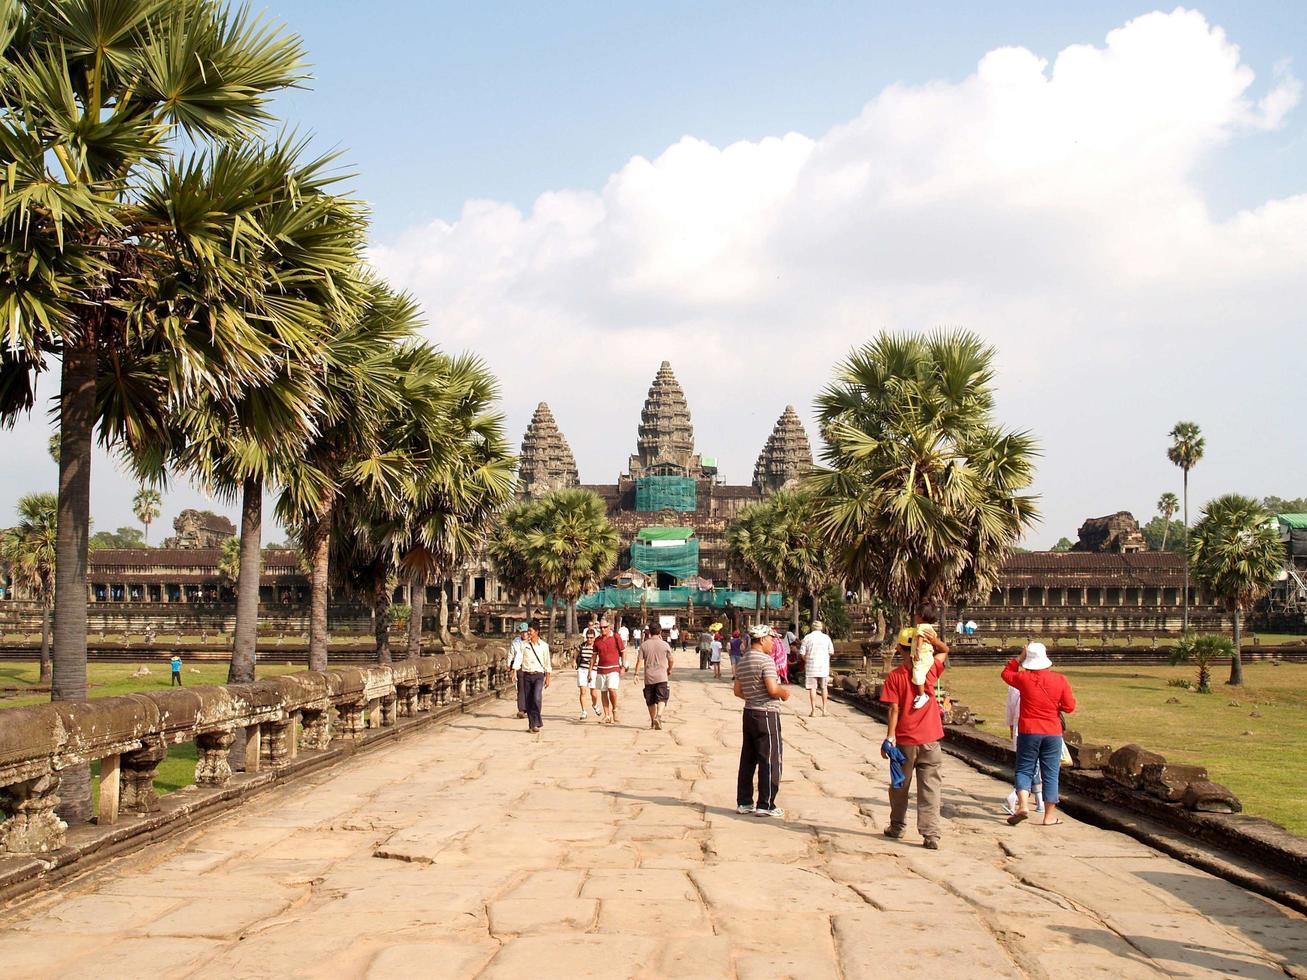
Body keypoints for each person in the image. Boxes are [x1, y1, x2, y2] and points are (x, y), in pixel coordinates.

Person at [880, 625, 950, 849]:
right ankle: (931, 834)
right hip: (930, 738)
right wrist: (933, 641)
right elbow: (944, 652)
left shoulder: (895, 677)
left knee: (900, 785)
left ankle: (897, 826)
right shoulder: (930, 671)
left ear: (900, 648)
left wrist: (889, 738)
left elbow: (894, 709)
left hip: (905, 739)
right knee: (930, 787)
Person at [1003, 642, 1076, 827]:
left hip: (1028, 730)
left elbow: (1005, 674)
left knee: (1024, 768)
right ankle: (1049, 816)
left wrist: (1018, 659)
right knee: (1051, 773)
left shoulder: (1023, 679)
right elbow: (1070, 706)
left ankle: (1024, 805)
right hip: (1052, 731)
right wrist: (1055, 705)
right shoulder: (1059, 680)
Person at [734, 623, 790, 817]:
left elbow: (737, 691)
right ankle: (766, 804)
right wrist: (784, 694)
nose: (774, 644)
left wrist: (753, 696)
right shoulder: (766, 661)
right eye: (772, 640)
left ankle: (744, 802)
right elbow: (773, 689)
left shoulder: (743, 660)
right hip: (766, 714)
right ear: (763, 639)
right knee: (770, 759)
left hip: (749, 712)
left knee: (748, 759)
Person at [1004, 684, 1044, 815]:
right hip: (1035, 725)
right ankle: (1034, 798)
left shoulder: (1015, 684)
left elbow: (1010, 709)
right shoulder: (1040, 682)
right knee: (1031, 764)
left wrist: (1011, 725)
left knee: (1025, 765)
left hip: (1023, 726)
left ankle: (1035, 798)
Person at [633, 623, 674, 729]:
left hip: (649, 677)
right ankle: (658, 716)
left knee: (650, 700)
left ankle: (652, 721)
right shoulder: (665, 645)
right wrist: (669, 669)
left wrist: (636, 674)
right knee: (662, 698)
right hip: (662, 676)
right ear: (660, 632)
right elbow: (671, 659)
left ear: (649, 632)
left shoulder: (644, 645)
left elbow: (639, 661)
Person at [910, 603, 946, 710]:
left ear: (920, 615)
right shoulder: (929, 627)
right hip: (927, 655)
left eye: (916, 614)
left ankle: (922, 695)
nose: (914, 616)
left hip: (923, 655)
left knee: (918, 674)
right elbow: (944, 650)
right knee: (919, 673)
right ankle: (921, 695)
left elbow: (920, 638)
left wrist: (918, 650)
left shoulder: (922, 627)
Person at [518, 622, 552, 733]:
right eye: (528, 631)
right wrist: (514, 671)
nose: (528, 633)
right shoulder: (524, 645)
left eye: (530, 631)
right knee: (529, 700)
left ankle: (537, 721)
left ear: (537, 632)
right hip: (527, 674)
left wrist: (548, 677)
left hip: (538, 675)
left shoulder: (544, 646)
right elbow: (519, 659)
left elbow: (547, 663)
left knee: (537, 698)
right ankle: (532, 724)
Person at [592, 621, 625, 724]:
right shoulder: (597, 640)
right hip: (601, 668)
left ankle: (614, 709)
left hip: (614, 668)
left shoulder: (616, 637)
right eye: (601, 628)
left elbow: (623, 652)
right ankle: (607, 715)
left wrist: (623, 666)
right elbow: (594, 656)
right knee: (603, 691)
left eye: (605, 627)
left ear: (609, 627)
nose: (603, 629)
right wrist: (590, 670)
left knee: (612, 689)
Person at [800, 620, 834, 717]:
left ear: (812, 628)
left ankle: (813, 710)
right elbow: (831, 651)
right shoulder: (826, 638)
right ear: (821, 628)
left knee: (813, 688)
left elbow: (802, 653)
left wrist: (807, 660)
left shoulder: (807, 637)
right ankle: (824, 710)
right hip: (823, 666)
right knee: (824, 687)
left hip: (811, 666)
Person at [575, 627, 602, 721]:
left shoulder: (596, 647)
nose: (589, 639)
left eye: (591, 637)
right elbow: (576, 653)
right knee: (583, 691)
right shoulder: (582, 646)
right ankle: (584, 711)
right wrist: (574, 661)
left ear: (594, 637)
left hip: (593, 670)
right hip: (582, 669)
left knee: (593, 692)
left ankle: (594, 704)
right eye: (588, 637)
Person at [509, 622, 529, 719]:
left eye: (526, 632)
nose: (524, 634)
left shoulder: (532, 641)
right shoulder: (515, 642)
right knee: (521, 688)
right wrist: (510, 666)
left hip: (530, 667)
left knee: (529, 689)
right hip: (519, 667)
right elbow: (511, 655)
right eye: (522, 632)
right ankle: (521, 709)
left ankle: (529, 707)